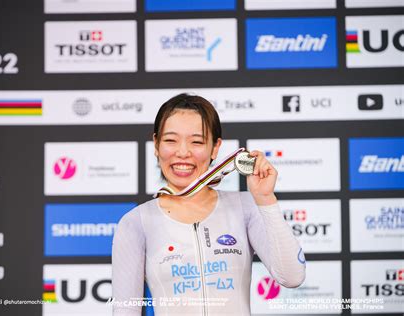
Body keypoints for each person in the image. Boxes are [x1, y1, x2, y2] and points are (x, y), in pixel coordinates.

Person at [111, 93, 306, 316]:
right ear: (156, 144)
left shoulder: (245, 207)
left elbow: (292, 276)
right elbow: (126, 310)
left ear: (215, 148)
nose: (182, 152)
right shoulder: (136, 223)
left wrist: (265, 199)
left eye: (197, 141)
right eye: (170, 140)